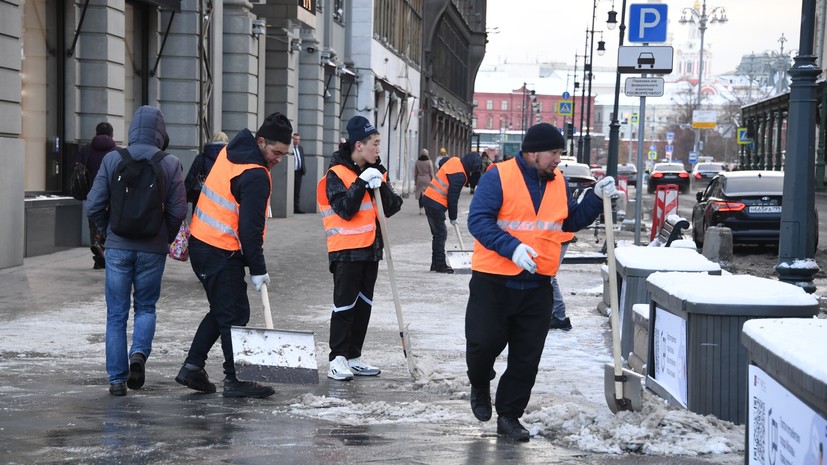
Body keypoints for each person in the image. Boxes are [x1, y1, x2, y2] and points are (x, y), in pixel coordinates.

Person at [464, 122, 616, 440]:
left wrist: (594, 199)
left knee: (526, 357)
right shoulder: (498, 176)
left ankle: (509, 416)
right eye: (554, 153)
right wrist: (513, 247)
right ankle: (479, 382)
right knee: (482, 345)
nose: (558, 159)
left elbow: (568, 220)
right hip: (494, 281)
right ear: (533, 153)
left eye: (560, 153)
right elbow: (478, 220)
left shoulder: (557, 180)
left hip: (537, 284)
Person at [175, 112, 294, 399]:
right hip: (219, 249)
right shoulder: (255, 174)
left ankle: (192, 367)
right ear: (262, 141)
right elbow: (250, 229)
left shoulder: (232, 152)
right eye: (276, 152)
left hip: (205, 245)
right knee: (233, 313)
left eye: (284, 154)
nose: (278, 159)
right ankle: (236, 379)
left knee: (224, 310)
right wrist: (258, 268)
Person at [85, 106, 187, 396]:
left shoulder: (112, 159)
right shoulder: (170, 162)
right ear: (160, 132)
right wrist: (163, 236)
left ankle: (117, 380)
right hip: (152, 249)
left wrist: (109, 232)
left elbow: (92, 205)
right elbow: (179, 209)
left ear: (132, 129)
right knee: (146, 306)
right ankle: (138, 355)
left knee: (116, 315)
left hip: (118, 248)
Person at [316, 115, 403, 381]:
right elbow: (345, 210)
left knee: (364, 306)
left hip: (371, 250)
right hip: (346, 251)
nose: (378, 149)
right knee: (344, 306)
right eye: (375, 144)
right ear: (358, 145)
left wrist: (379, 184)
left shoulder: (377, 170)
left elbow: (392, 206)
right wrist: (361, 182)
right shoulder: (336, 174)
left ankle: (354, 357)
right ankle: (337, 358)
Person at [422, 152, 480, 274]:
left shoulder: (454, 160)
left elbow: (442, 161)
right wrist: (453, 217)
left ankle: (435, 264)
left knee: (437, 235)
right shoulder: (460, 176)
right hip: (435, 203)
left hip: (428, 198)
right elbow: (453, 198)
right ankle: (440, 265)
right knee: (441, 234)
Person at [76, 122, 120, 269]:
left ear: (96, 133)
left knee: (94, 223)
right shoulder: (118, 152)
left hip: (92, 193)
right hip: (112, 195)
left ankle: (97, 253)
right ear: (112, 134)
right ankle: (102, 247)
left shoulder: (85, 150)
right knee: (110, 224)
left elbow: (77, 169)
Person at [185, 131, 228, 211]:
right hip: (223, 203)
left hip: (202, 200)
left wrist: (184, 199)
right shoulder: (230, 159)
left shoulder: (201, 158)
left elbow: (190, 179)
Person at [414, 148, 435, 215]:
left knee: (420, 194)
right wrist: (433, 179)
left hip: (419, 178)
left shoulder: (417, 161)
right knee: (427, 194)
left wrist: (415, 180)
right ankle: (426, 208)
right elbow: (431, 172)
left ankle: (421, 209)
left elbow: (415, 172)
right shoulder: (429, 162)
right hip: (427, 179)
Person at [292, 132, 307, 213]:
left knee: (297, 191)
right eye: (295, 139)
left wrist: (303, 169)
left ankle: (296, 208)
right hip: (291, 172)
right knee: (291, 190)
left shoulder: (300, 148)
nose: (297, 141)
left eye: (298, 139)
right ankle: (290, 208)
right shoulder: (291, 149)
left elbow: (301, 159)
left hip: (299, 172)